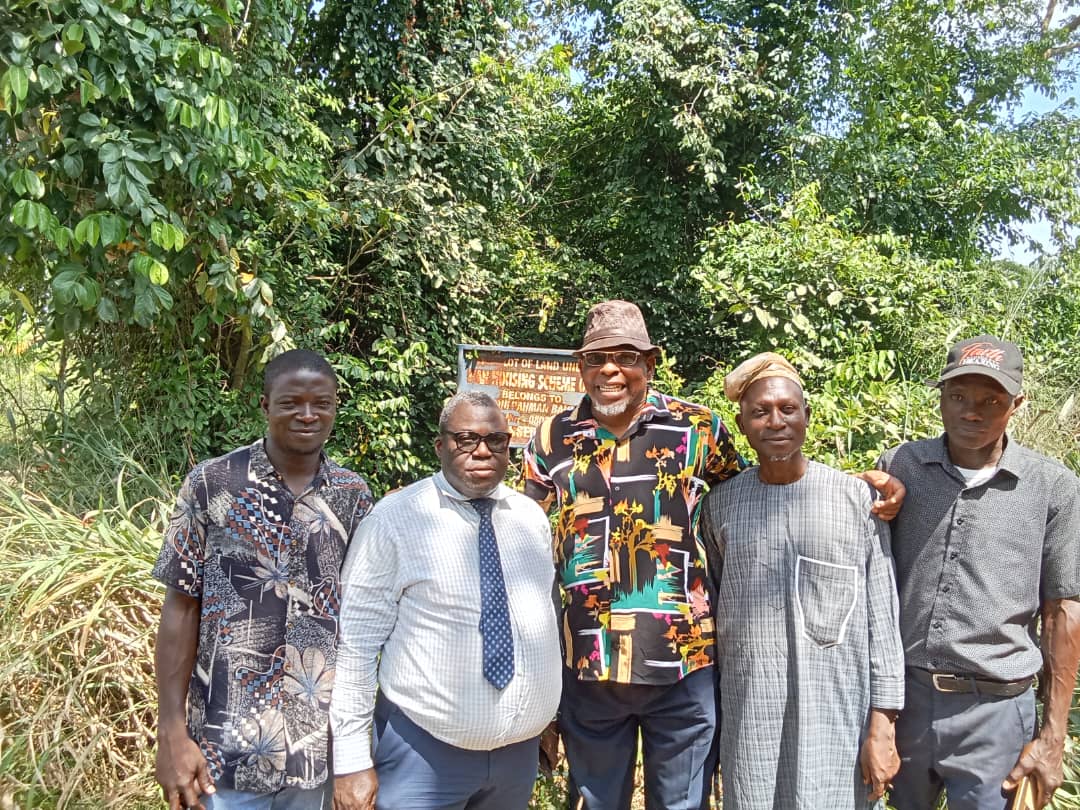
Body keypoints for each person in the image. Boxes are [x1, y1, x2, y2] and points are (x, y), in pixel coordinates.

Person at [522, 301, 905, 810]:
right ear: (581, 367)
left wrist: (850, 487)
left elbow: (761, 484)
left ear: (650, 363)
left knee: (683, 804)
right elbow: (522, 530)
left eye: (626, 357)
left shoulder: (697, 428)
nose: (610, 370)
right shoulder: (551, 437)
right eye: (596, 358)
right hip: (590, 664)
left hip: (683, 665)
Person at [152, 349, 374, 810]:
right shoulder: (212, 484)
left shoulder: (353, 495)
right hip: (221, 754)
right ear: (265, 405)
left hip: (318, 754)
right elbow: (181, 607)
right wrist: (171, 732)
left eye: (322, 403)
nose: (308, 415)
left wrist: (356, 752)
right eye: (291, 402)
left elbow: (365, 620)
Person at [331, 391, 562, 810]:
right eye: (466, 439)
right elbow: (356, 645)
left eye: (496, 440)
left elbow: (542, 622)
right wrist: (350, 760)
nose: (482, 451)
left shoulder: (530, 519)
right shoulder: (394, 520)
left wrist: (547, 718)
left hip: (516, 761)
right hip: (422, 755)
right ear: (440, 446)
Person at [879, 335, 1080, 810]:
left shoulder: (1053, 487)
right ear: (941, 398)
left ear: (1017, 404)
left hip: (995, 713)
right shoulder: (902, 465)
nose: (972, 412)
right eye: (958, 396)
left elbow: (1063, 612)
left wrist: (1052, 738)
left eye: (991, 400)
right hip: (904, 704)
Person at [699, 352, 905, 810]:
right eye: (760, 412)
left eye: (788, 409)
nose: (776, 422)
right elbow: (713, 613)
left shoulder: (857, 499)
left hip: (838, 721)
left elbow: (883, 617)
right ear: (742, 424)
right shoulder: (721, 506)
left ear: (806, 415)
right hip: (751, 719)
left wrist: (883, 724)